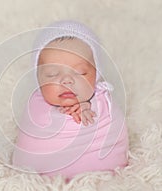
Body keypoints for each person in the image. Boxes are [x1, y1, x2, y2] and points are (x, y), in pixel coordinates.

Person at [12, 20, 128, 180]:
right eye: (52, 74)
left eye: (80, 73)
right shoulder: (35, 107)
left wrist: (90, 107)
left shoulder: (104, 103)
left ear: (96, 75)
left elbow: (111, 125)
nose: (67, 81)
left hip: (103, 180)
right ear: (38, 79)